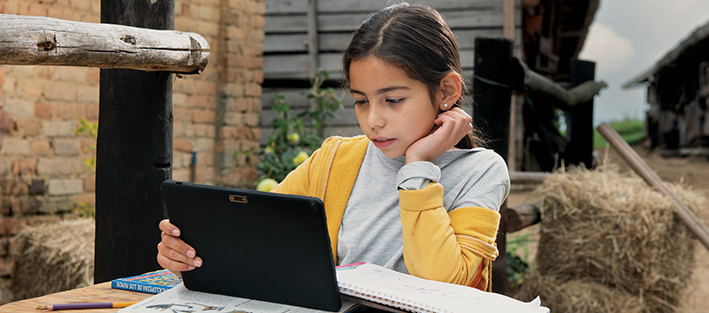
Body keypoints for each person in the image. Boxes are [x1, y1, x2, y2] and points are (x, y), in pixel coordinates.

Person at [157, 2, 510, 291]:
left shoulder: (481, 171)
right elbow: (255, 239)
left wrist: (417, 167)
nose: (374, 120)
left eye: (394, 100)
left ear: (447, 92)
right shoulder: (335, 160)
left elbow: (443, 282)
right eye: (361, 101)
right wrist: (190, 253)